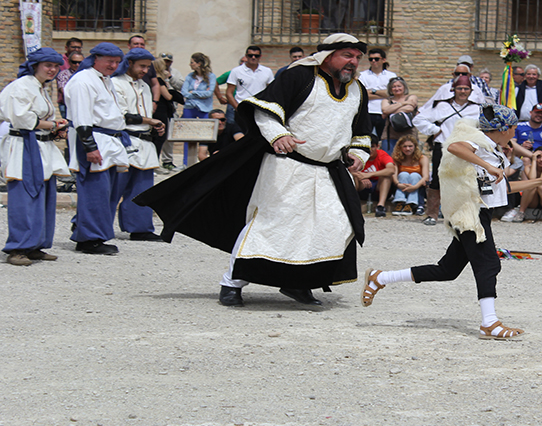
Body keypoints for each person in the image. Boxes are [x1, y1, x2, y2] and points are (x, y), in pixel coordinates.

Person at [134, 33, 373, 308]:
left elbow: (361, 131)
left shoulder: (357, 90)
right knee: (269, 225)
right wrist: (278, 135)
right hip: (288, 167)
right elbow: (265, 111)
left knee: (332, 226)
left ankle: (299, 283)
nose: (353, 62)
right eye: (347, 55)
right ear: (327, 56)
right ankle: (232, 283)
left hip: (328, 172)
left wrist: (357, 154)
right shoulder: (300, 77)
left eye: (357, 58)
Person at [359, 105, 542, 340]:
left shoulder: (490, 148)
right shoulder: (477, 141)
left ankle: (380, 277)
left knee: (447, 270)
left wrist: (540, 181)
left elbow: (501, 188)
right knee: (488, 265)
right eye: (514, 127)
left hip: (477, 211)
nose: (516, 132)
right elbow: (454, 147)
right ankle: (490, 323)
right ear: (504, 128)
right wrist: (488, 165)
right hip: (470, 214)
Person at [0, 48, 69, 265]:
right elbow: (22, 119)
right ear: (35, 65)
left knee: (44, 197)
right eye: (48, 65)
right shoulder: (21, 86)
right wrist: (53, 125)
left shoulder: (40, 88)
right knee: (24, 197)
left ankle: (36, 245)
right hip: (23, 146)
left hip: (41, 147)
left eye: (56, 66)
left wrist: (55, 129)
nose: (53, 70)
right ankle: (17, 249)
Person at [64, 43, 129, 255]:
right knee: (94, 191)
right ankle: (89, 239)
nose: (113, 65)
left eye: (117, 62)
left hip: (109, 139)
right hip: (94, 139)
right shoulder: (83, 80)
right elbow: (82, 117)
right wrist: (89, 146)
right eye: (109, 61)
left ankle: (95, 233)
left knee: (106, 193)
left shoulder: (105, 80)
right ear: (96, 59)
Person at [110, 48, 167, 242]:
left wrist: (154, 126)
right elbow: (123, 115)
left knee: (141, 187)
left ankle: (140, 228)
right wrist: (150, 121)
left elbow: (145, 115)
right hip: (124, 140)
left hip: (144, 141)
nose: (145, 70)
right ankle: (99, 227)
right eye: (141, 66)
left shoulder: (144, 86)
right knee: (114, 188)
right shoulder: (115, 84)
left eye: (147, 67)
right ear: (129, 63)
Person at [413, 74, 482, 226]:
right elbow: (418, 119)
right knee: (438, 180)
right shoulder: (441, 106)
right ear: (453, 90)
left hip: (465, 148)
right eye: (460, 88)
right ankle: (431, 214)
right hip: (443, 147)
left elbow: (485, 126)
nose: (463, 91)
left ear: (471, 91)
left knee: (463, 180)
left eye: (466, 89)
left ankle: (458, 216)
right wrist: (435, 129)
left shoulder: (476, 108)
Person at [179, 52, 216, 166]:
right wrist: (198, 94)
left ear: (199, 64)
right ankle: (186, 162)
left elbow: (209, 93)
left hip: (205, 108)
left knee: (205, 135)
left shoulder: (211, 76)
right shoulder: (190, 76)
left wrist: (193, 93)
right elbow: (184, 92)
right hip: (190, 107)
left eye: (192, 62)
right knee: (187, 135)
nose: (190, 65)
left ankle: (203, 160)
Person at [355, 135, 395, 217]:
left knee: (386, 176)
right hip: (362, 186)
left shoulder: (382, 155)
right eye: (367, 147)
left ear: (377, 146)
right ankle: (352, 203)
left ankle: (380, 206)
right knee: (354, 176)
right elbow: (349, 170)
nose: (369, 150)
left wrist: (369, 175)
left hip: (379, 187)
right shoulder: (358, 156)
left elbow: (391, 170)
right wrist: (361, 177)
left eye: (372, 147)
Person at [225, 45, 274, 112]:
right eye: (250, 55)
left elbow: (271, 91)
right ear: (246, 56)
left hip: (261, 109)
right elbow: (229, 92)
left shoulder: (267, 71)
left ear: (260, 56)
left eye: (256, 56)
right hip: (243, 107)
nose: (253, 57)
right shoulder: (236, 71)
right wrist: (237, 108)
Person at [357, 48, 394, 136]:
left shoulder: (391, 76)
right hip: (368, 111)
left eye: (376, 59)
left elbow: (392, 94)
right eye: (371, 59)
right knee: (367, 137)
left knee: (384, 138)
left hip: (385, 112)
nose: (373, 61)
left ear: (383, 60)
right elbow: (362, 94)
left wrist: (372, 91)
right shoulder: (362, 75)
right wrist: (384, 94)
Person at [389, 135, 428, 216]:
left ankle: (410, 203)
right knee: (403, 174)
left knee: (414, 175)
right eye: (405, 146)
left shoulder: (422, 158)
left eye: (410, 146)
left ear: (415, 147)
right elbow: (394, 174)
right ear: (400, 147)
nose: (408, 149)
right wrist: (398, 184)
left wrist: (414, 187)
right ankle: (400, 201)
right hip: (401, 183)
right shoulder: (396, 159)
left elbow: (426, 176)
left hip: (417, 184)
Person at [380, 76, 417, 154]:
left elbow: (409, 108)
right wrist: (402, 103)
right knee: (389, 160)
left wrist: (390, 110)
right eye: (394, 87)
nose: (397, 89)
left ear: (404, 87)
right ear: (390, 89)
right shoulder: (386, 100)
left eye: (399, 86)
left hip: (409, 135)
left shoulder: (411, 97)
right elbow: (385, 110)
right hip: (390, 136)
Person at [55, 51, 83, 119]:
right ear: (69, 62)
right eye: (74, 62)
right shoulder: (63, 74)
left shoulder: (87, 74)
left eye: (80, 62)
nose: (77, 65)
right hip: (67, 105)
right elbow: (63, 90)